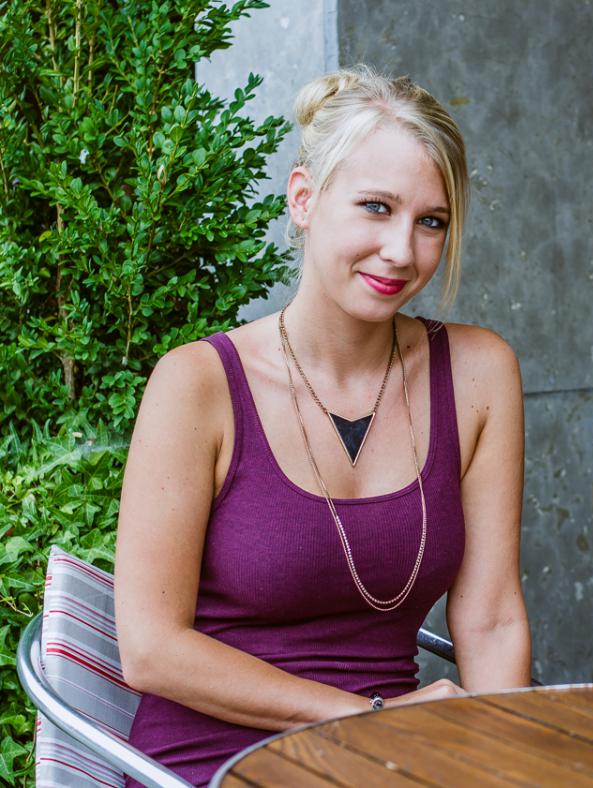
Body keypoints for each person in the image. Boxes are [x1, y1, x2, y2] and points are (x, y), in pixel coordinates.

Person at [115, 66, 530, 785]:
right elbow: (151, 649)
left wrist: (505, 765)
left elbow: (491, 618)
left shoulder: (478, 373)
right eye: (376, 207)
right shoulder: (198, 384)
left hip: (391, 764)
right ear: (304, 199)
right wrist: (369, 717)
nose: (402, 250)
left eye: (431, 221)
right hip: (210, 763)